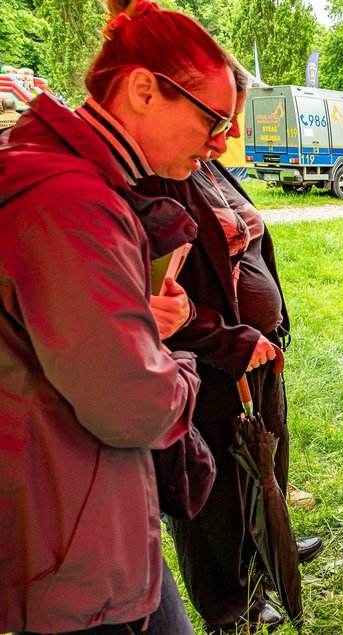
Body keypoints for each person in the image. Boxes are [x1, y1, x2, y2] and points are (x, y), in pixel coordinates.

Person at [0, 0, 237, 632]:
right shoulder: (73, 201)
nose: (219, 143)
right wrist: (178, 365)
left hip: (85, 511)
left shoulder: (73, 183)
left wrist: (137, 322)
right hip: (75, 540)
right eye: (213, 118)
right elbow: (131, 405)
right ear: (142, 91)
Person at [134, 61, 321, 633]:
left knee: (265, 463)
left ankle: (267, 556)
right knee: (215, 493)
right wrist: (232, 341)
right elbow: (161, 296)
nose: (228, 136)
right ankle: (226, 604)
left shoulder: (209, 166)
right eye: (217, 119)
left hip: (258, 351)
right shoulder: (156, 173)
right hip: (212, 361)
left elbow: (247, 252)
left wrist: (271, 324)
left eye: (231, 118)